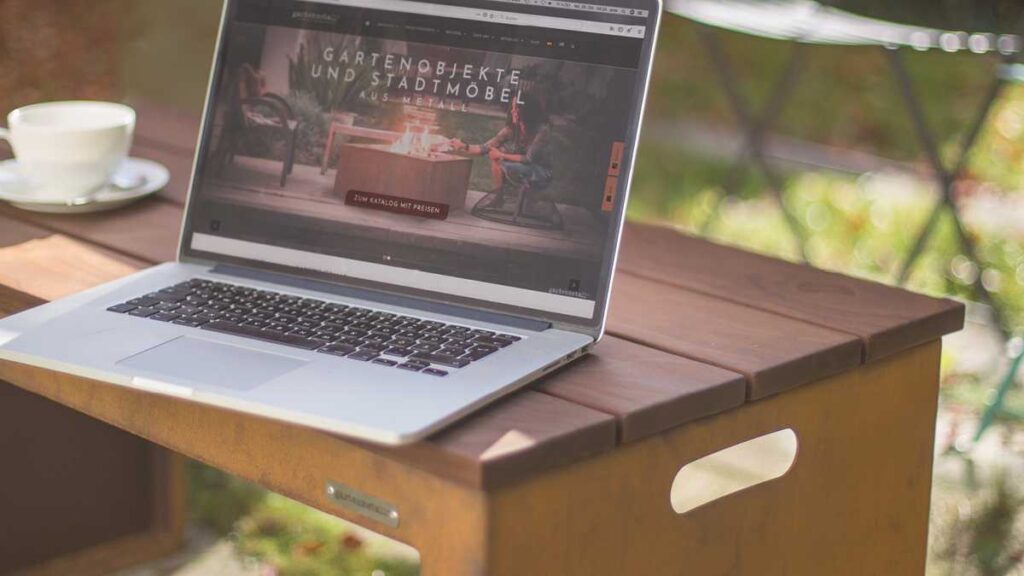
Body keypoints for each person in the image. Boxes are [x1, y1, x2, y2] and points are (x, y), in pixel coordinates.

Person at [449, 93, 553, 209]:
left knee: (499, 154)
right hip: (521, 169)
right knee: (496, 155)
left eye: (517, 108)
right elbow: (485, 148)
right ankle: (499, 199)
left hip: (539, 173)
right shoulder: (511, 129)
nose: (513, 111)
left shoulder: (542, 131)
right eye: (512, 107)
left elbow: (529, 159)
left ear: (527, 111)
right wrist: (463, 146)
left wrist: (502, 154)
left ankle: (529, 200)